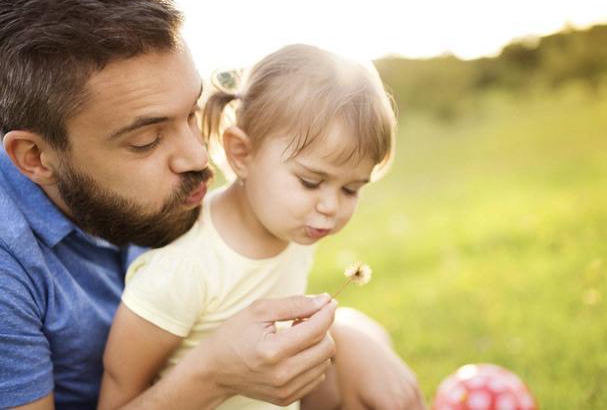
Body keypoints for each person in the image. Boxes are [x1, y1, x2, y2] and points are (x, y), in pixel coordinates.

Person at [0, 0, 423, 409]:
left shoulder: (225, 203)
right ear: (36, 157)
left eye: (192, 113)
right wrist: (214, 375)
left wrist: (351, 336)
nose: (201, 157)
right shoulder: (9, 269)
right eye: (146, 141)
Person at [98, 43, 423, 410]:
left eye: (351, 188)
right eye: (310, 182)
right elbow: (119, 394)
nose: (331, 207)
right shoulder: (183, 269)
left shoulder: (294, 230)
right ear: (242, 153)